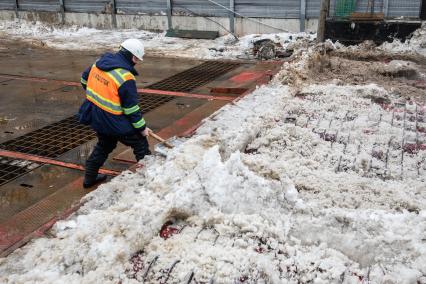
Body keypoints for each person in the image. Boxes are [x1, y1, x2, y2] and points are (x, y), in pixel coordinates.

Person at [78, 39, 151, 188]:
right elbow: (131, 109)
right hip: (113, 120)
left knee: (104, 145)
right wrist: (142, 128)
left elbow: (84, 79)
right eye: (137, 59)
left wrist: (98, 95)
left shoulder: (99, 62)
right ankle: (150, 177)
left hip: (96, 115)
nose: (136, 62)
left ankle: (89, 179)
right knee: (140, 144)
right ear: (132, 56)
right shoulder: (125, 77)